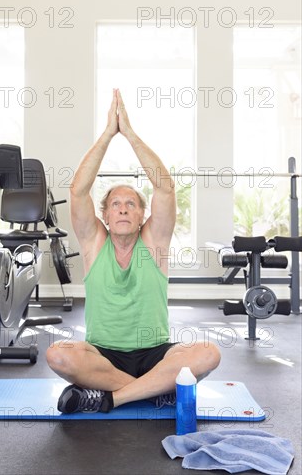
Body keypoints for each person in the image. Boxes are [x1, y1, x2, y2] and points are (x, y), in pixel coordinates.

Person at [46, 88, 221, 413]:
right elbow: (78, 190)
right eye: (115, 205)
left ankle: (110, 397)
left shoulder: (153, 242)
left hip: (156, 353)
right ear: (106, 216)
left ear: (142, 215)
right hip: (103, 357)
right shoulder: (94, 242)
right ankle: (155, 390)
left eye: (131, 204)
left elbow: (165, 188)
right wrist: (108, 135)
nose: (123, 209)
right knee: (57, 354)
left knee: (209, 352)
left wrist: (130, 134)